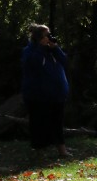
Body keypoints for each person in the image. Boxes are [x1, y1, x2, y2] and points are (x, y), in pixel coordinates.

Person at [21, 24, 71, 157]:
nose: (49, 38)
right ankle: (40, 151)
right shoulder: (30, 51)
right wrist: (41, 48)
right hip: (38, 95)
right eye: (46, 36)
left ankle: (62, 150)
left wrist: (55, 49)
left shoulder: (53, 51)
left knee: (58, 122)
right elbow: (33, 64)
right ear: (38, 38)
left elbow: (65, 61)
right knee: (39, 123)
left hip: (57, 94)